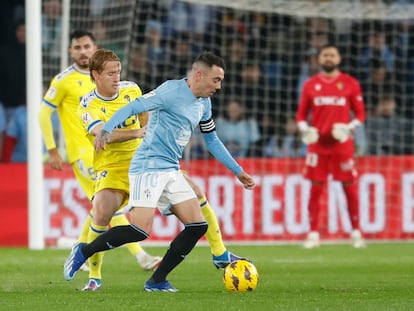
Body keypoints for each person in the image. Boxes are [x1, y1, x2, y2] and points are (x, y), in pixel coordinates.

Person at [64, 51, 256, 292]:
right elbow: (135, 107)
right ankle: (85, 252)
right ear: (199, 75)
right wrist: (108, 130)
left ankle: (159, 280)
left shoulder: (203, 104)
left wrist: (238, 171)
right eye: (216, 80)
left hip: (169, 167)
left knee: (197, 225)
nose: (219, 87)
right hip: (147, 165)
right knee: (137, 229)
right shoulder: (170, 92)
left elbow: (212, 140)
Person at [38, 30, 162, 286]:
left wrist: (147, 135)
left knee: (102, 212)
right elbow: (43, 114)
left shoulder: (124, 86)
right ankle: (132, 259)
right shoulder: (64, 81)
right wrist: (52, 149)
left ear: (94, 48)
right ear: (71, 51)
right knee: (104, 209)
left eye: (87, 46)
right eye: (77, 47)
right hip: (86, 154)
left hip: (135, 158)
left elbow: (144, 113)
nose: (82, 51)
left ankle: (83, 252)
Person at [296, 44, 366, 249]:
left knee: (349, 186)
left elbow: (361, 114)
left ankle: (356, 232)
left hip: (342, 144)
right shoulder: (310, 84)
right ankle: (313, 234)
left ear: (339, 59)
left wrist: (349, 127)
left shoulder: (350, 83)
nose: (328, 58)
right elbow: (301, 115)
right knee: (316, 188)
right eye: (325, 55)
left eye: (332, 55)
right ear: (319, 59)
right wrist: (304, 129)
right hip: (317, 145)